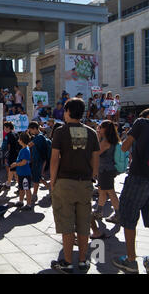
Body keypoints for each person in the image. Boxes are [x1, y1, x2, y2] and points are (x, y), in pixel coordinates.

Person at [50, 98, 100, 274]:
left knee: (67, 224)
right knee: (84, 223)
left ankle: (68, 262)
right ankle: (83, 261)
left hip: (65, 182)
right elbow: (96, 158)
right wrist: (91, 176)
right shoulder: (91, 132)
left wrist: (52, 182)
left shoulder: (61, 132)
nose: (63, 114)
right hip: (85, 183)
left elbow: (55, 159)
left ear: (68, 111)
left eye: (65, 111)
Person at [112, 108, 149, 274]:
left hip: (139, 177)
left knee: (128, 217)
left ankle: (131, 260)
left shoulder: (141, 123)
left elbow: (124, 147)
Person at [93, 120, 121, 224]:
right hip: (106, 169)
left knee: (110, 192)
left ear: (105, 129)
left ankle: (118, 214)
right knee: (102, 191)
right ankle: (99, 211)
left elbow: (96, 152)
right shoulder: (111, 139)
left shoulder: (105, 141)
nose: (99, 129)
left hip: (105, 170)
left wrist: (97, 136)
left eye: (100, 127)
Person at [28, 121, 50, 203]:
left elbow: (29, 145)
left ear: (34, 129)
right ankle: (50, 188)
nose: (30, 132)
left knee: (36, 178)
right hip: (36, 160)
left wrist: (26, 137)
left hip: (38, 160)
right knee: (38, 177)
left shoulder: (39, 137)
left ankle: (34, 195)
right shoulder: (39, 136)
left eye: (30, 130)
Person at [10, 132, 33, 211]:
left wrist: (15, 164)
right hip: (22, 173)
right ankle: (21, 201)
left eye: (19, 139)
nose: (18, 141)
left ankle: (29, 204)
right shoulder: (24, 149)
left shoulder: (25, 150)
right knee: (21, 188)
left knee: (27, 188)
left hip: (25, 173)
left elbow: (24, 162)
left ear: (22, 140)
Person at [3, 121, 21, 191]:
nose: (4, 129)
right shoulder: (16, 133)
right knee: (12, 169)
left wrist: (7, 155)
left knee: (14, 171)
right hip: (17, 154)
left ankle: (20, 187)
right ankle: (8, 183)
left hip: (12, 154)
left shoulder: (9, 135)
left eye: (5, 127)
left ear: (8, 128)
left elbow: (9, 146)